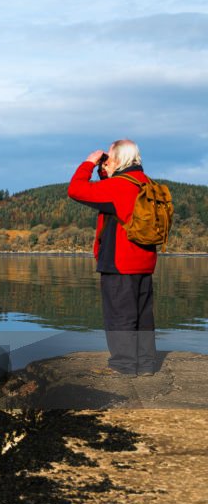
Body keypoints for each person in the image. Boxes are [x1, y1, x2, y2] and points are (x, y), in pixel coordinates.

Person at [67, 139, 158, 375]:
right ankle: (146, 364)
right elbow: (113, 197)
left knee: (120, 316)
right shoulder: (146, 183)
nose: (105, 159)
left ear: (118, 159)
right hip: (144, 262)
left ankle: (124, 365)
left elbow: (76, 189)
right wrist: (105, 170)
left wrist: (88, 163)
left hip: (120, 262)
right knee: (143, 316)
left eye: (109, 156)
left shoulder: (120, 186)